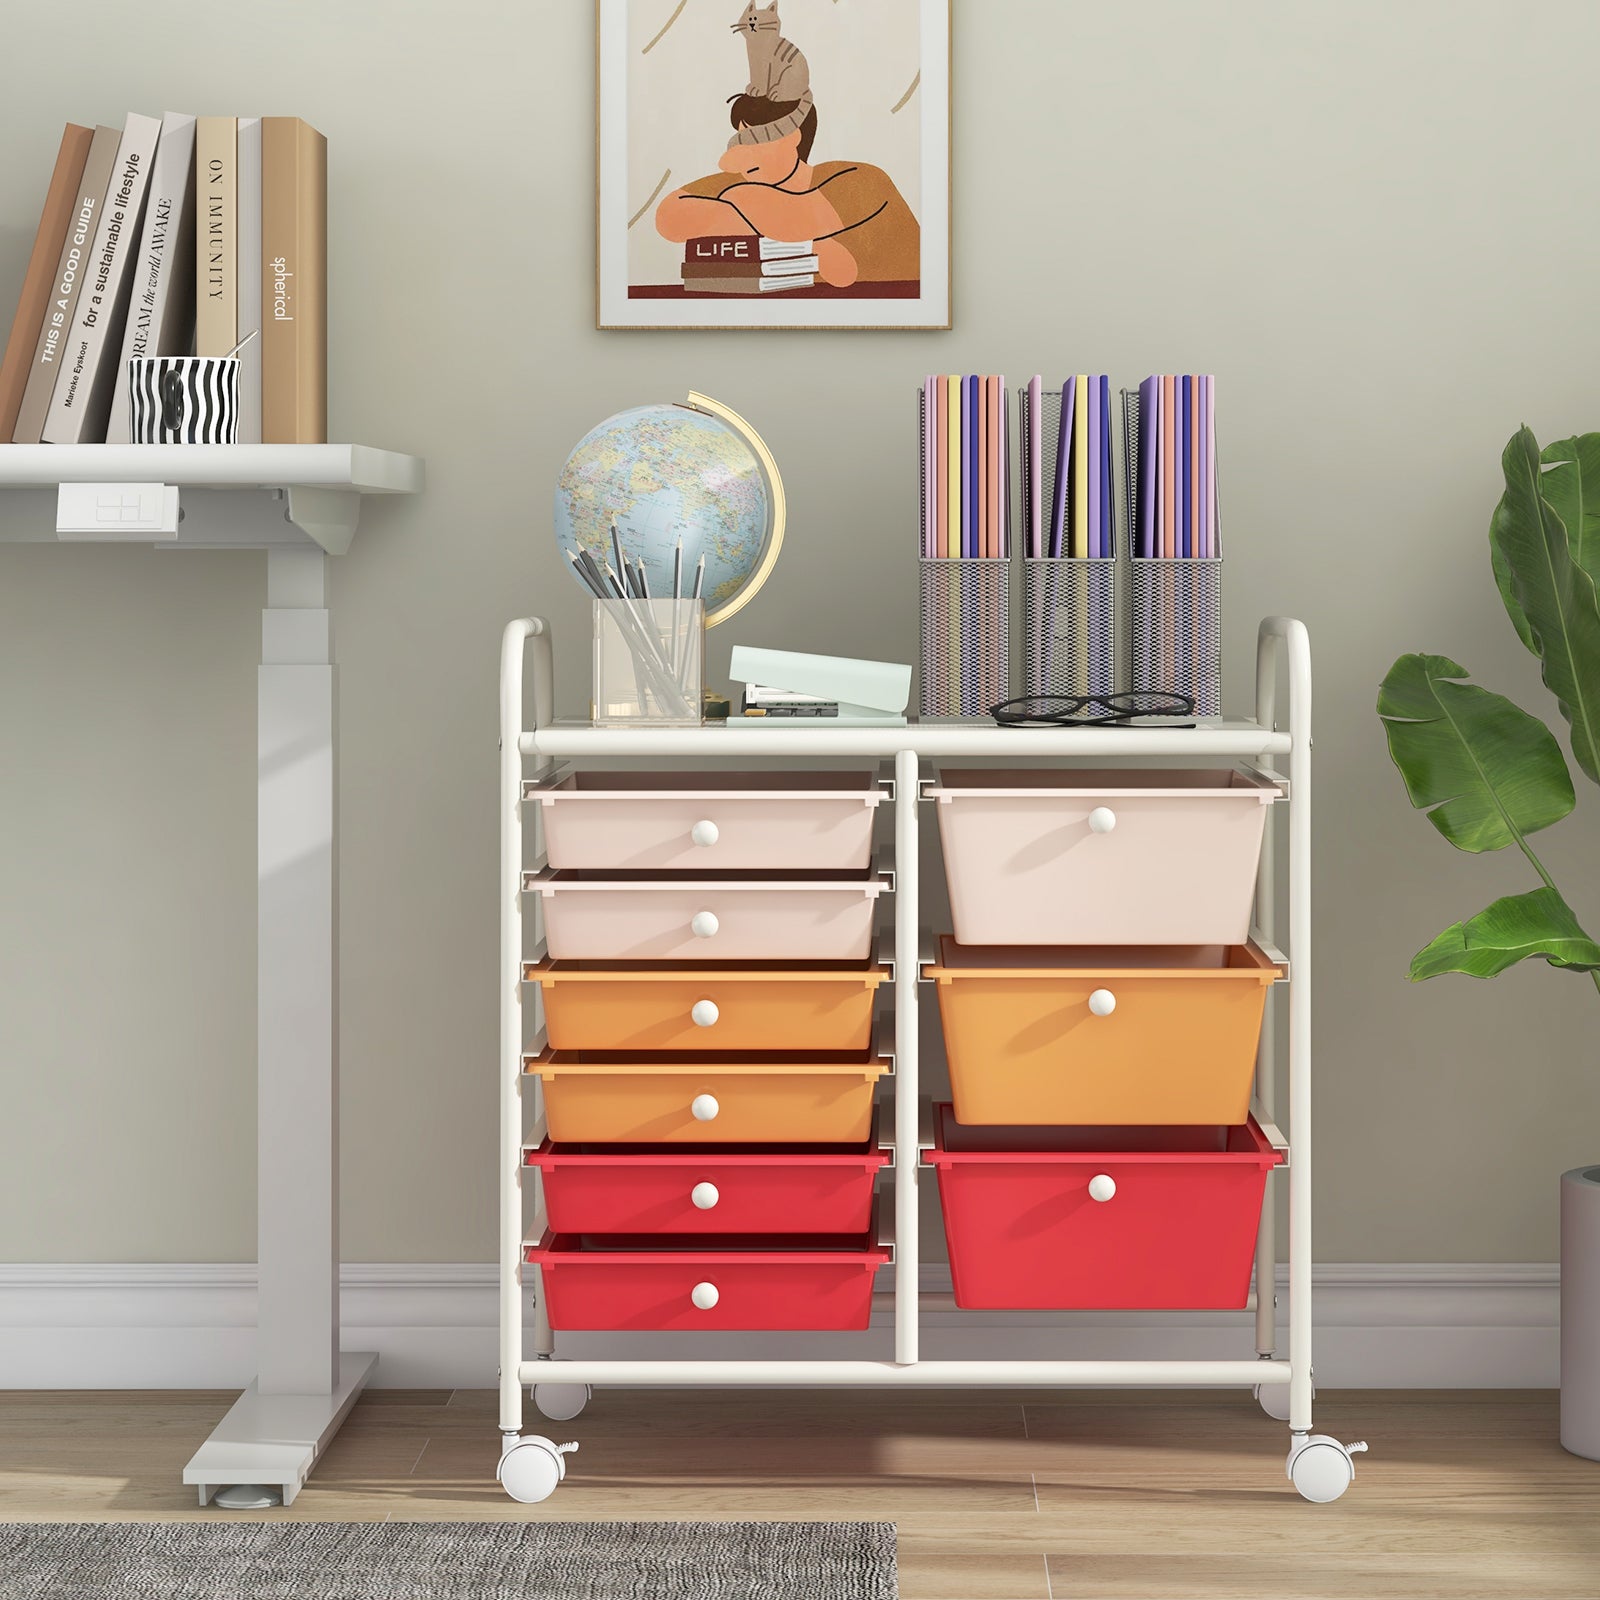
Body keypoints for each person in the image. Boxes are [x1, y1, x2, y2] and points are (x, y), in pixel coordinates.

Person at [655, 92, 920, 288]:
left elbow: (798, 219)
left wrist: (733, 202)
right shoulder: (745, 179)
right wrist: (810, 247)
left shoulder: (859, 180)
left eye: (756, 141)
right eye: (741, 141)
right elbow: (669, 218)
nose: (743, 155)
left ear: (794, 136)